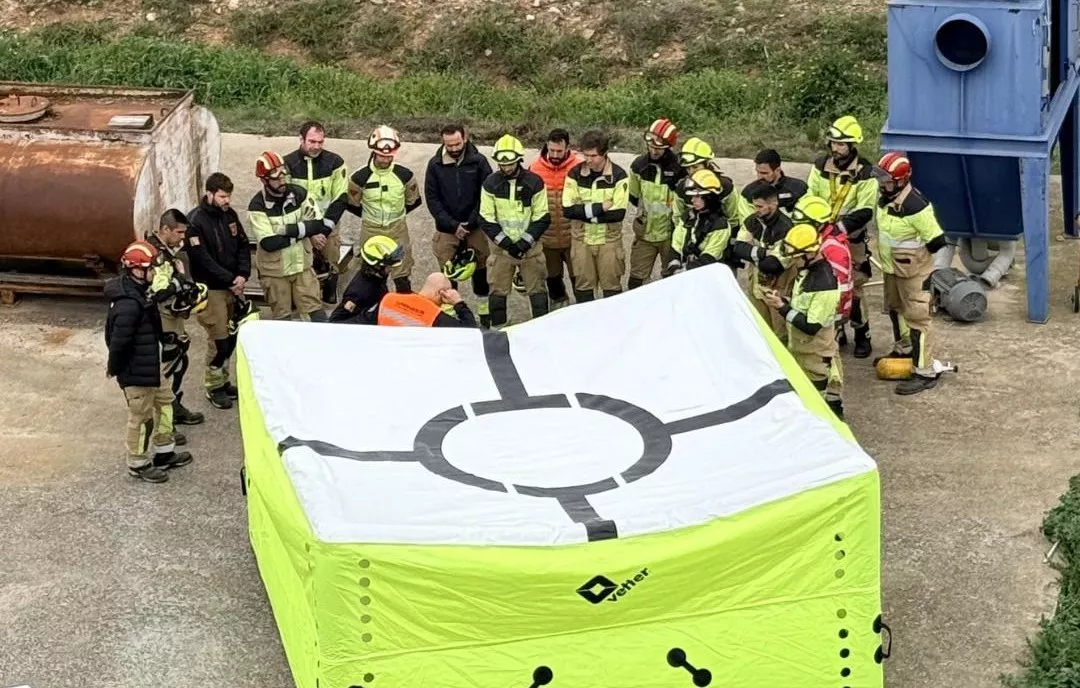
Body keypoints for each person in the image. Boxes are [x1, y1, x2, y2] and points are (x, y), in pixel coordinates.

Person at [105, 241, 194, 484]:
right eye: (151, 269)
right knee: (142, 418)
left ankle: (164, 452)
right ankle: (138, 463)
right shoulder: (127, 304)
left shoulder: (141, 294)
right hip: (137, 373)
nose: (155, 273)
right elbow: (118, 343)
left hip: (152, 366)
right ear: (136, 270)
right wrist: (116, 369)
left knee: (165, 406)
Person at [874, 152, 948, 395]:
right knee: (896, 310)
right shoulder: (885, 199)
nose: (881, 184)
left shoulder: (917, 206)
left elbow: (936, 240)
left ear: (901, 181)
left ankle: (925, 371)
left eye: (886, 180)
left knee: (919, 320)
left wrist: (915, 259)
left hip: (914, 273)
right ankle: (904, 350)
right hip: (892, 270)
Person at [805, 115, 878, 358]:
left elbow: (866, 210)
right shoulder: (820, 166)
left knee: (854, 289)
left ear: (852, 145)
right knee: (826, 288)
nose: (835, 149)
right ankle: (836, 332)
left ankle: (862, 334)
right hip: (821, 237)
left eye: (841, 144)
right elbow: (810, 197)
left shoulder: (867, 173)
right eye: (833, 143)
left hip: (851, 240)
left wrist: (840, 229)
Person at [763, 224, 844, 420]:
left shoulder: (823, 283)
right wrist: (784, 302)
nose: (793, 261)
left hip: (816, 357)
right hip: (804, 352)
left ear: (809, 254)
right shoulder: (808, 273)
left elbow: (811, 326)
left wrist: (781, 307)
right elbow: (803, 307)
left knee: (817, 410)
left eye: (796, 257)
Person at [185, 172, 251, 410]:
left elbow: (243, 244)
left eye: (229, 196)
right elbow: (203, 261)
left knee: (231, 337)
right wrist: (231, 279)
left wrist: (243, 274)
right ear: (210, 194)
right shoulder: (195, 223)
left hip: (233, 287)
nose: (227, 201)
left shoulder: (229, 215)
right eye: (223, 196)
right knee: (218, 341)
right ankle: (213, 387)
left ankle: (223, 381)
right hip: (212, 291)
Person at [247, 151, 330, 323]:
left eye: (283, 176)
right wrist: (302, 232)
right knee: (282, 319)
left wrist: (286, 230)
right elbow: (269, 243)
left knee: (316, 315)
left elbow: (317, 224)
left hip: (302, 269)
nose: (282, 182)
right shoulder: (257, 206)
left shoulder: (300, 194)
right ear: (264, 180)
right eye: (276, 179)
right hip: (275, 274)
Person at [479, 134, 551, 328]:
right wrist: (508, 244)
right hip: (501, 251)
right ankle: (499, 330)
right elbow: (486, 218)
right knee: (497, 293)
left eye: (511, 164)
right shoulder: (490, 183)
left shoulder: (534, 183)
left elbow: (542, 217)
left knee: (537, 292)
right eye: (503, 165)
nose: (507, 168)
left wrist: (523, 243)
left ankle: (540, 329)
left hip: (530, 249)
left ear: (519, 160)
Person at [425, 123, 494, 326]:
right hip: (447, 229)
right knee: (448, 276)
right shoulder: (434, 164)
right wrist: (453, 225)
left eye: (457, 144)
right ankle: (450, 315)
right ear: (442, 142)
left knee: (481, 272)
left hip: (474, 227)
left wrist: (471, 223)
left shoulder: (479, 162)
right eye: (449, 145)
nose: (454, 149)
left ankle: (484, 313)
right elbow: (432, 198)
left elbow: (486, 194)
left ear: (465, 138)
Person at [145, 208, 206, 426]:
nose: (183, 237)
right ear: (165, 229)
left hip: (173, 315)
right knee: (168, 367)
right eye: (179, 233)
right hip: (162, 318)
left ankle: (174, 406)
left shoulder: (168, 251)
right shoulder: (155, 255)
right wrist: (179, 280)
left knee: (180, 361)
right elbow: (158, 292)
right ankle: (165, 421)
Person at [347, 125, 422, 293]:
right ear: (373, 152)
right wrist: (371, 217)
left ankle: (403, 307)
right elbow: (352, 204)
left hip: (397, 229)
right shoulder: (360, 177)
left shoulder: (405, 175)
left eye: (389, 156)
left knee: (402, 273)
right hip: (371, 229)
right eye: (381, 155)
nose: (385, 159)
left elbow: (414, 201)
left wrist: (396, 218)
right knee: (369, 273)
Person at [283, 121, 350, 305]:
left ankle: (329, 293)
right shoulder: (287, 164)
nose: (316, 146)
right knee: (301, 268)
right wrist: (310, 232)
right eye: (312, 141)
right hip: (301, 228)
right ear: (301, 139)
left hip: (328, 227)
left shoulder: (335, 163)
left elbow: (340, 198)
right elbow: (287, 203)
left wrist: (324, 230)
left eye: (320, 142)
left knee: (331, 262)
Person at [563, 129, 630, 300]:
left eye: (593, 156)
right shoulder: (574, 174)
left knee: (612, 289)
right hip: (582, 241)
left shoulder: (619, 176)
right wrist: (600, 208)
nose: (588, 160)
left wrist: (583, 212)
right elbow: (568, 210)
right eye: (585, 155)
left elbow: (618, 214)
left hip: (609, 242)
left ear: (605, 153)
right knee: (583, 288)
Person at [730, 185, 795, 342]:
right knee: (759, 331)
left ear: (773, 204)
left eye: (759, 206)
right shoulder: (752, 221)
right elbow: (738, 248)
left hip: (777, 291)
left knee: (780, 336)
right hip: (756, 288)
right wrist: (763, 253)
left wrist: (753, 253)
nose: (755, 210)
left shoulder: (786, 228)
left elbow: (773, 265)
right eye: (754, 206)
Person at [627, 118, 684, 289]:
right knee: (636, 282)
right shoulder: (639, 165)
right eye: (651, 146)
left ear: (668, 147)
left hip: (671, 235)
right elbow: (634, 196)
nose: (653, 150)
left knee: (671, 282)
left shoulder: (679, 169)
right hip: (645, 234)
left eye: (658, 148)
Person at [529, 128, 581, 308]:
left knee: (579, 278)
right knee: (553, 279)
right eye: (551, 150)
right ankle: (559, 310)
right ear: (546, 146)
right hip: (548, 238)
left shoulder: (580, 166)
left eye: (559, 151)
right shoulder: (534, 168)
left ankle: (581, 311)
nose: (555, 154)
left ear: (568, 147)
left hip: (574, 237)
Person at [674, 137, 753, 240]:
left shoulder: (725, 186)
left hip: (721, 240)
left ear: (707, 164)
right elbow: (677, 218)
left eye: (695, 167)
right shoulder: (682, 188)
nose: (691, 172)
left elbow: (734, 219)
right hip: (691, 241)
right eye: (688, 168)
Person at [668, 169, 736, 272]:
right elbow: (676, 244)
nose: (692, 200)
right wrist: (674, 265)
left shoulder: (720, 225)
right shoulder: (687, 217)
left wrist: (685, 270)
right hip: (684, 272)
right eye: (692, 196)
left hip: (707, 275)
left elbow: (710, 256)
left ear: (709, 197)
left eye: (697, 196)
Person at [330, 235, 404, 324]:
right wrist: (371, 316)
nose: (391, 269)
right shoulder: (359, 291)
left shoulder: (376, 278)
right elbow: (337, 321)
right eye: (388, 266)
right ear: (376, 266)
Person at [376, 272, 478, 327]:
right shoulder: (434, 315)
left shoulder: (389, 299)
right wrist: (458, 303)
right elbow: (470, 332)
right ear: (441, 293)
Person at [741, 148, 808, 214]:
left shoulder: (799, 188)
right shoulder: (748, 192)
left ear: (777, 170)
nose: (759, 177)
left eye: (764, 173)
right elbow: (746, 221)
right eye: (758, 172)